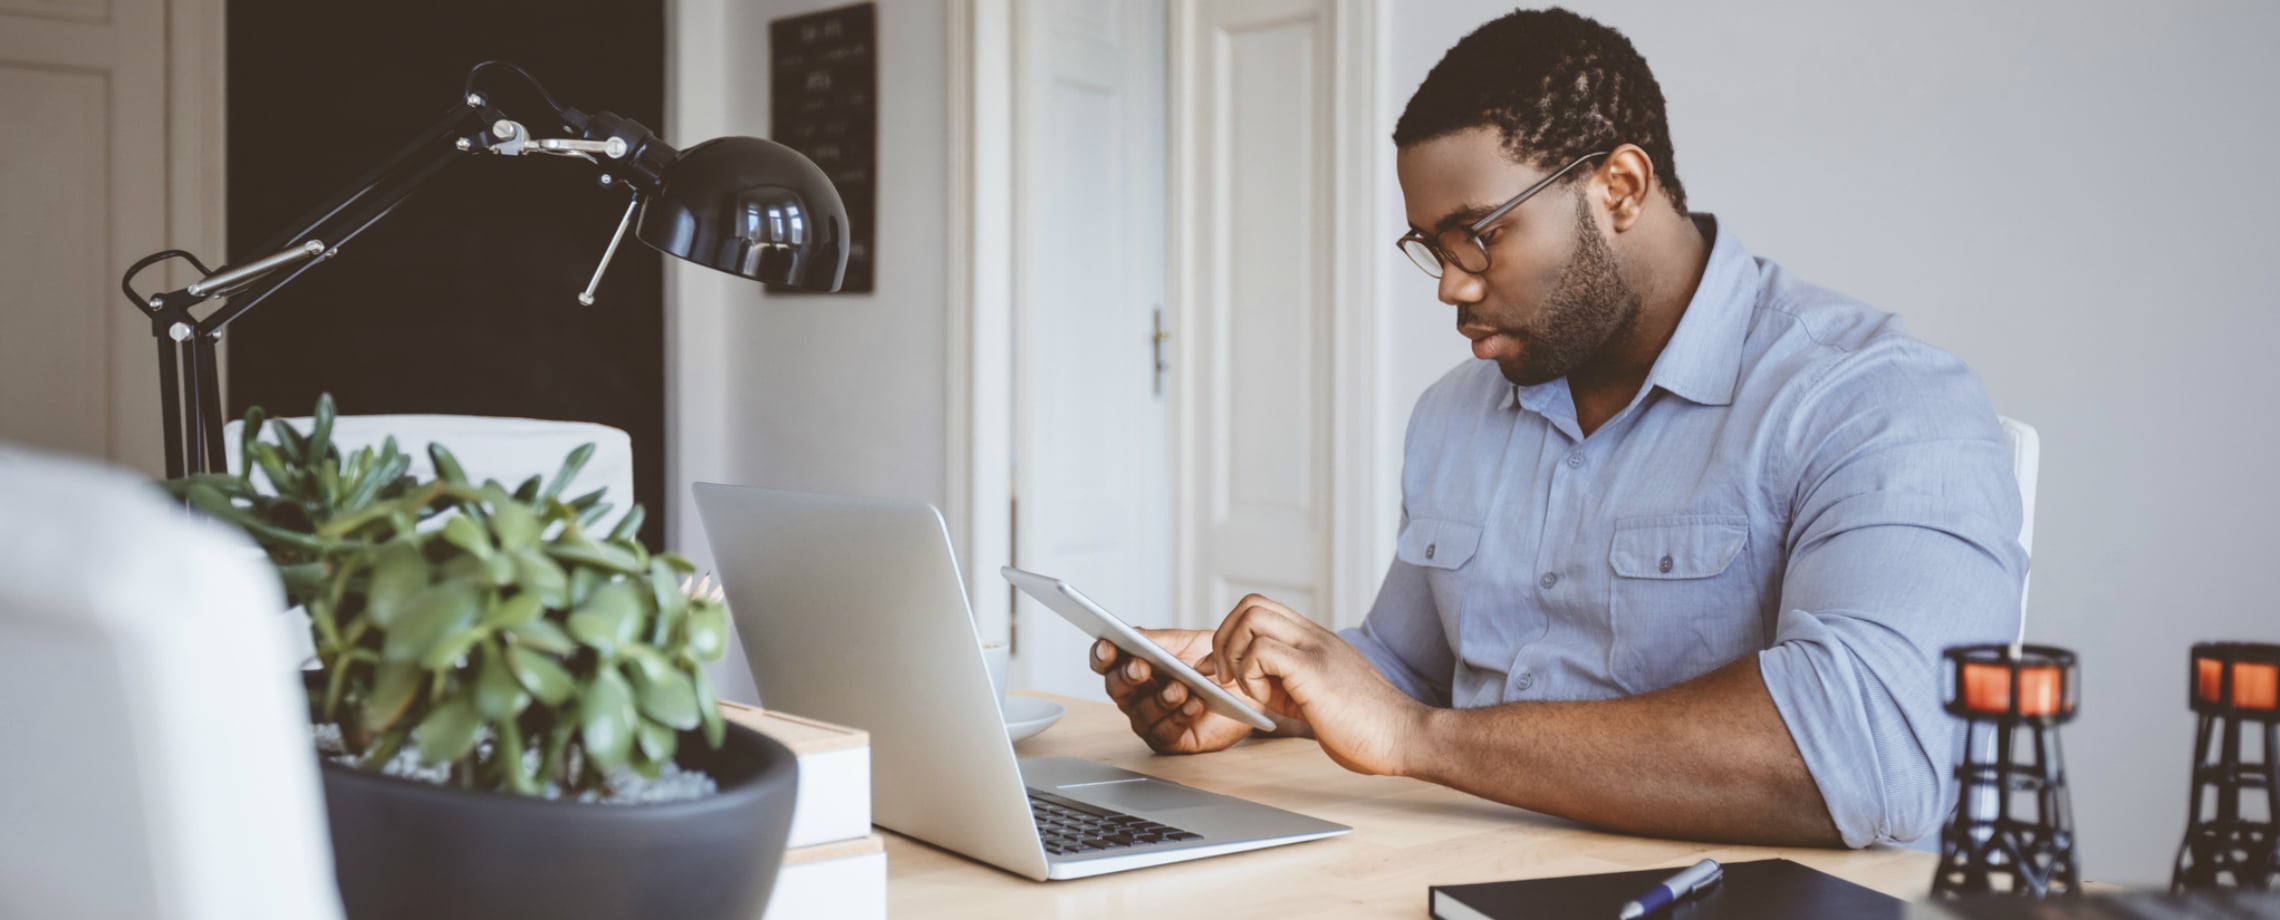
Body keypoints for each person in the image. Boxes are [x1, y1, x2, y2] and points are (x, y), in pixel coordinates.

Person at [1090, 6, 2025, 848]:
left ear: (1619, 186)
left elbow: (1871, 755)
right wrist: (1258, 692)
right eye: (1431, 248)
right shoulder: (1456, 412)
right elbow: (1409, 669)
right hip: (1446, 870)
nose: (1452, 285)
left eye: (1480, 233)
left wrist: (1419, 739)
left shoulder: (1873, 400)